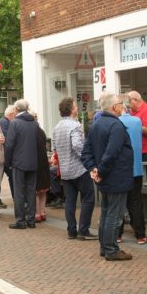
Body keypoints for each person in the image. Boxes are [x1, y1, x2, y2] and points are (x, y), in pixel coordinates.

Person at [82, 92, 134, 261]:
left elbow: (86, 151)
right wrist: (100, 172)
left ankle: (105, 247)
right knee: (114, 215)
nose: (123, 107)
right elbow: (112, 153)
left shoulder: (96, 124)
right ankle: (111, 249)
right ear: (114, 107)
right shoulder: (116, 126)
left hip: (105, 177)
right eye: (120, 104)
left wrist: (93, 169)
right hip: (116, 177)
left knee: (106, 212)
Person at [52, 97, 96, 240]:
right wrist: (86, 158)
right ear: (71, 110)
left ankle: (71, 230)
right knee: (88, 198)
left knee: (70, 200)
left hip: (65, 170)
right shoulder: (75, 125)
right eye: (76, 106)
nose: (77, 108)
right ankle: (83, 230)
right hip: (79, 169)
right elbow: (77, 145)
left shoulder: (57, 127)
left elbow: (54, 148)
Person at [116, 96, 147, 244]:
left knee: (120, 203)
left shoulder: (116, 122)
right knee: (136, 203)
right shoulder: (137, 121)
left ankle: (118, 234)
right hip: (136, 168)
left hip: (121, 169)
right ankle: (140, 235)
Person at [4, 99, 38, 229]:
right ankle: (31, 220)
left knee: (19, 192)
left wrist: (8, 161)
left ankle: (20, 220)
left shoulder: (15, 123)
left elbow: (9, 144)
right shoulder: (34, 123)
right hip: (32, 162)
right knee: (31, 191)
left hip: (18, 162)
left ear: (16, 109)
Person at [0, 105, 18, 209]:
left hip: (5, 156)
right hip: (4, 156)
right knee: (1, 178)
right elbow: (8, 140)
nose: (16, 116)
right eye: (15, 114)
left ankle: (15, 199)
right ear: (11, 114)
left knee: (8, 177)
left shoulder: (4, 122)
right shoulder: (4, 123)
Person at [127, 91, 147, 161]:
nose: (128, 105)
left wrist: (134, 125)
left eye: (129, 101)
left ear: (135, 100)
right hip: (138, 150)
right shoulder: (132, 111)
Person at [32, 111, 50, 223]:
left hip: (35, 163)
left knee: (35, 190)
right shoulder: (41, 131)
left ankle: (37, 213)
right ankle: (42, 212)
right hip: (44, 162)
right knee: (43, 190)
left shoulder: (31, 132)